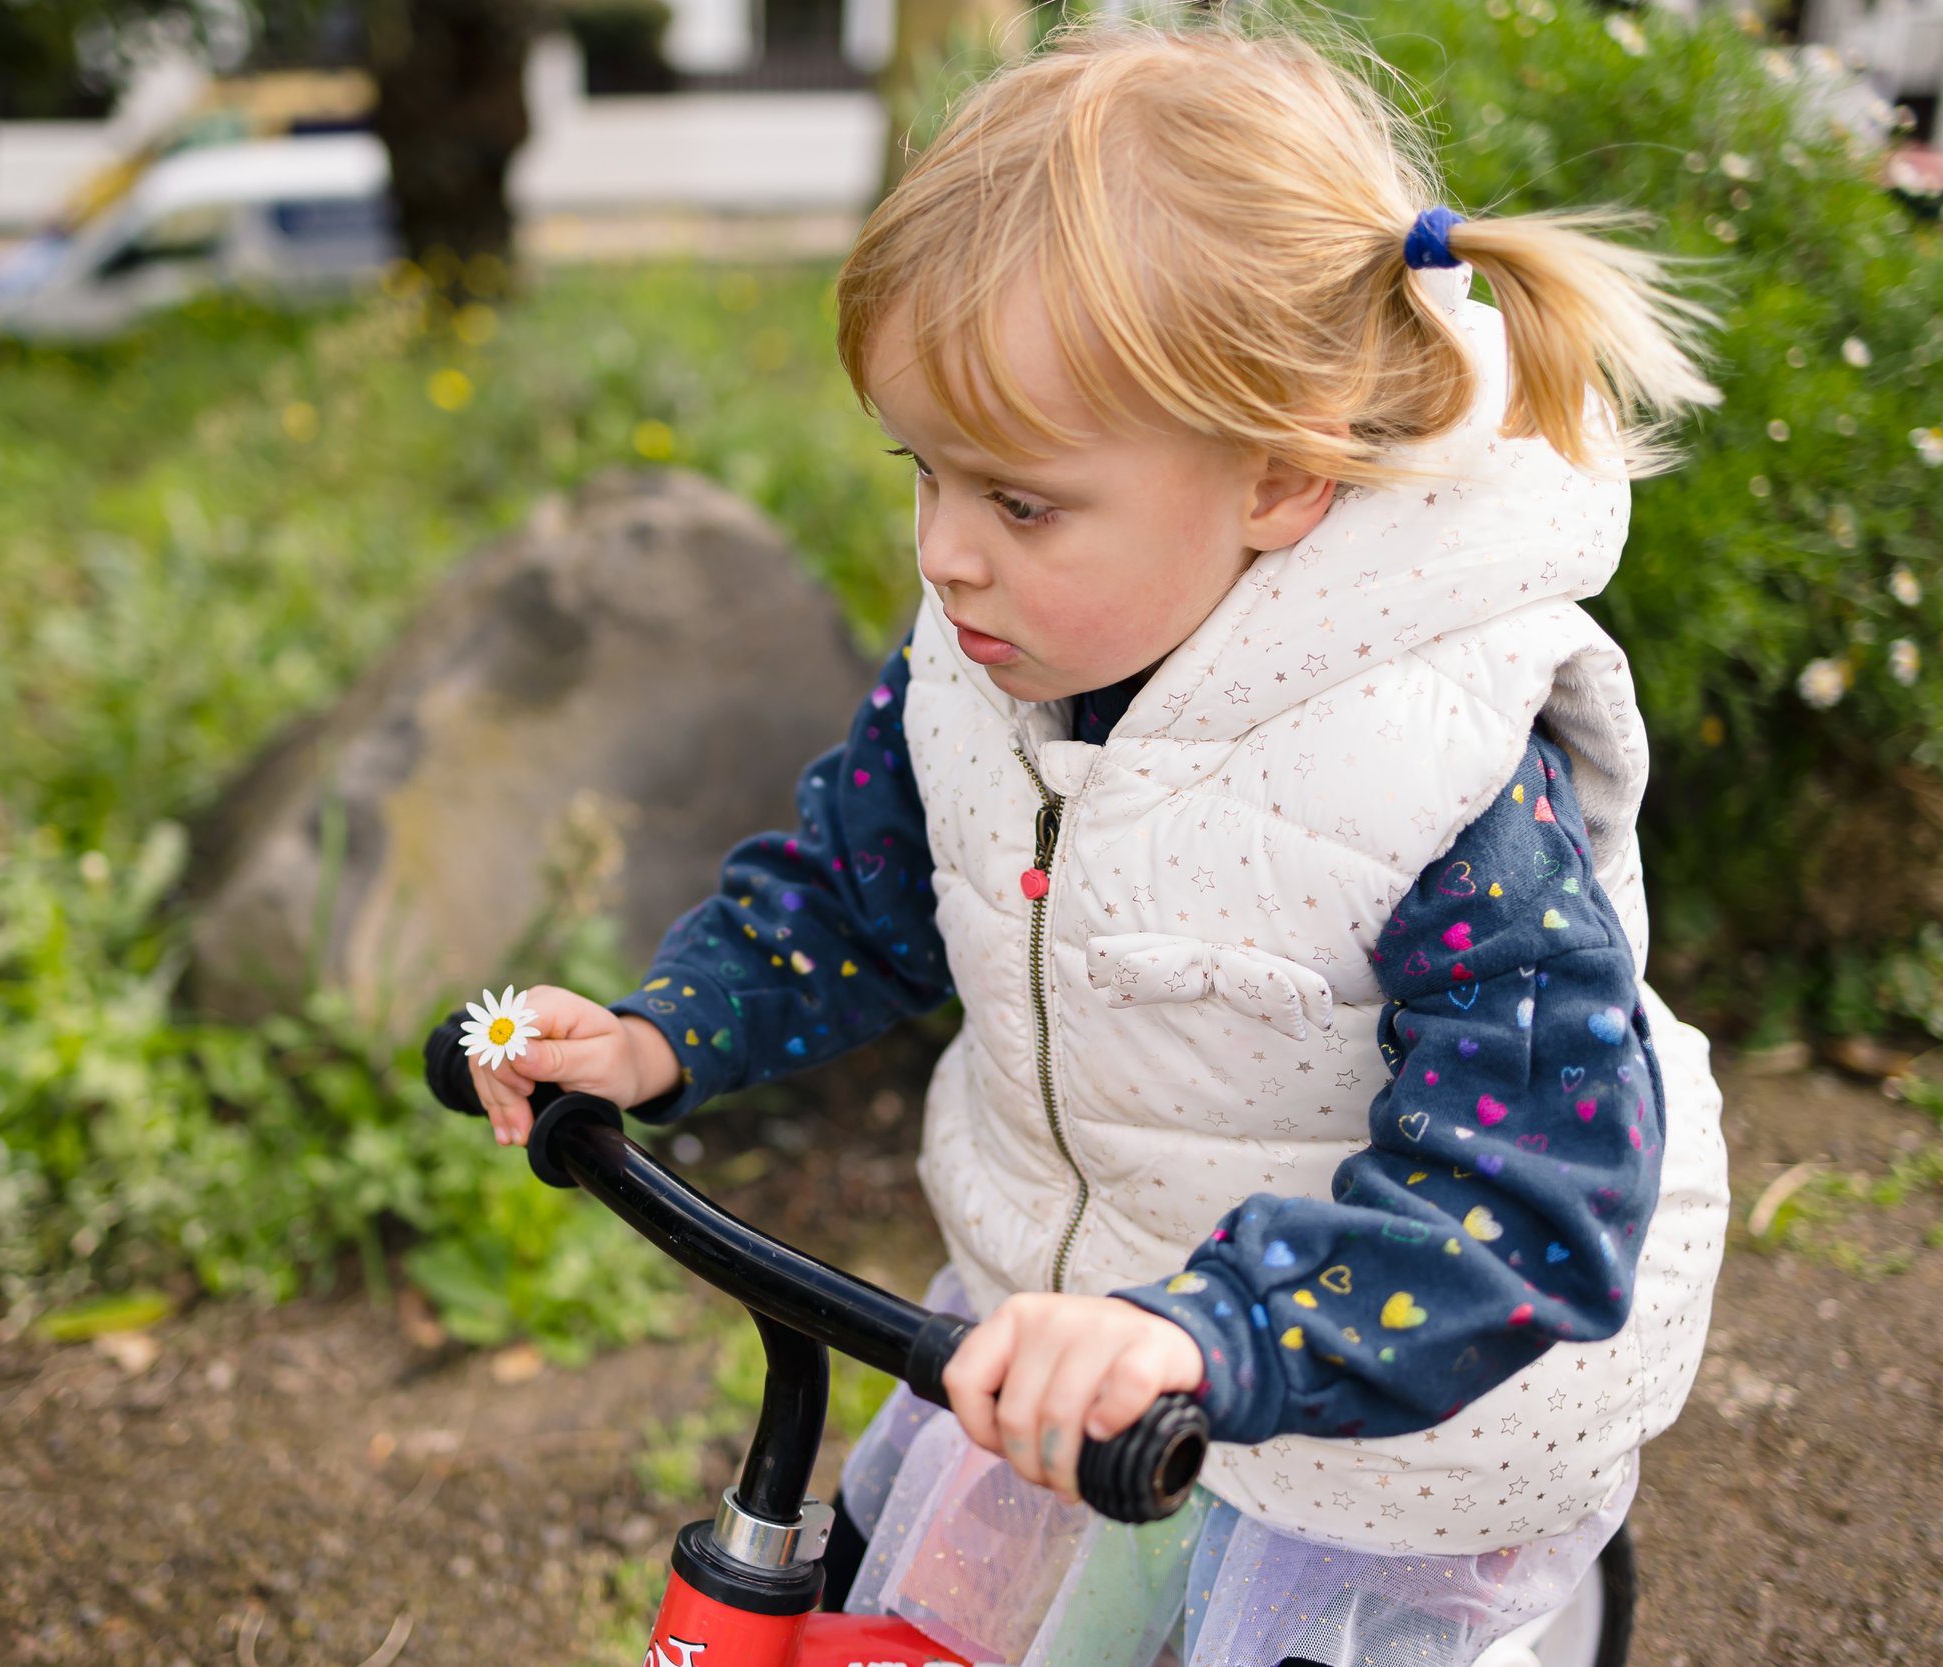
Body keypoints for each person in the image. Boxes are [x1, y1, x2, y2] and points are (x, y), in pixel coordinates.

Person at [461, 16, 1729, 1666]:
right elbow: (859, 885)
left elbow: (1534, 1185)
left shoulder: (1437, 771)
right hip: (1072, 1361)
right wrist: (656, 1034)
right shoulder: (990, 672)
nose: (946, 557)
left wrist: (1218, 1335)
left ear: (1279, 475)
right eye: (925, 475)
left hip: (1360, 1426)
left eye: (1022, 503)